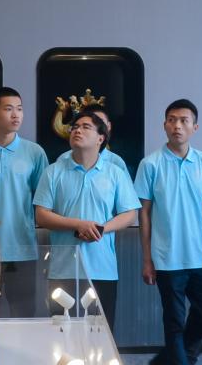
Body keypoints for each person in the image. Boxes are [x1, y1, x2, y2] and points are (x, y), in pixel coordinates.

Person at [135, 98, 202, 365]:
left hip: (199, 256)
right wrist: (147, 258)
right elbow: (144, 214)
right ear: (164, 125)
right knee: (173, 322)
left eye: (184, 120)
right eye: (172, 120)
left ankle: (169, 360)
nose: (177, 126)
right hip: (167, 258)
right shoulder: (151, 164)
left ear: (195, 127)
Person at [33, 113, 139, 327]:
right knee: (62, 332)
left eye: (85, 127)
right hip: (63, 268)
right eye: (75, 127)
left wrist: (101, 229)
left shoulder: (115, 173)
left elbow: (130, 214)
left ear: (101, 138)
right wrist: (78, 224)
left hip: (102, 268)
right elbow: (41, 215)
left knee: (100, 333)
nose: (77, 130)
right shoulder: (53, 171)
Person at [0, 87, 48, 318]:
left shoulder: (35, 153)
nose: (16, 115)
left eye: (20, 109)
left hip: (22, 248)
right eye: (8, 109)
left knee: (24, 315)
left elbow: (43, 201)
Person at [56, 102, 129, 174]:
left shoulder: (116, 162)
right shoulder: (63, 159)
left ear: (108, 126)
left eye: (100, 122)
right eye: (76, 127)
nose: (78, 131)